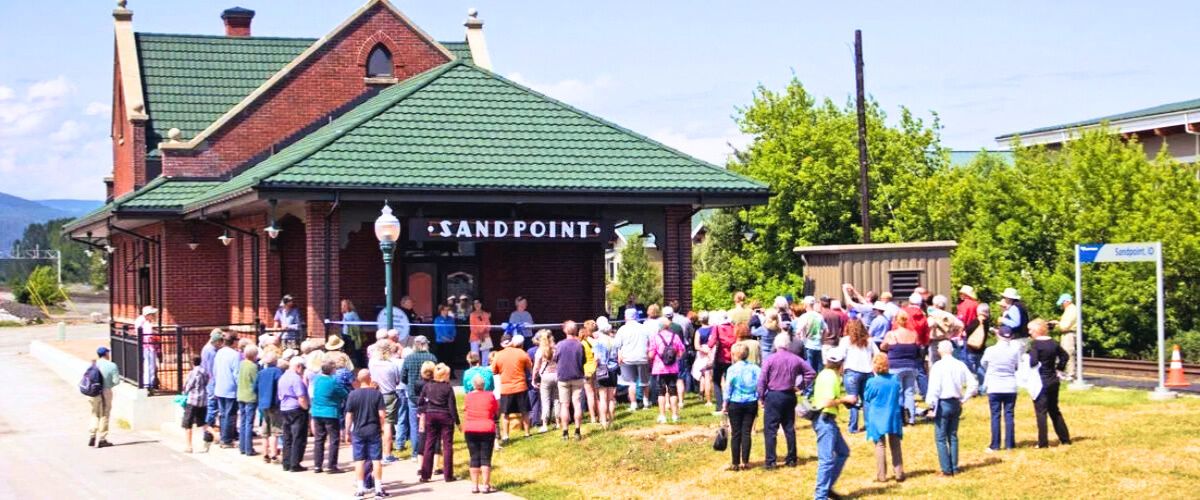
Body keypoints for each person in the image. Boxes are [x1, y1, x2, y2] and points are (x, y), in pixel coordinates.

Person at [758, 333, 817, 469]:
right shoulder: (795, 359)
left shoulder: (770, 359)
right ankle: (791, 458)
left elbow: (762, 380)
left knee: (770, 429)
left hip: (773, 395)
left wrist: (761, 397)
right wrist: (801, 386)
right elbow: (811, 373)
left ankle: (771, 461)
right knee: (789, 428)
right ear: (788, 345)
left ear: (776, 344)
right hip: (789, 395)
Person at [926, 340, 979, 476]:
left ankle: (946, 469)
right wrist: (964, 398)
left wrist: (931, 405)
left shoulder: (938, 366)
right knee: (953, 436)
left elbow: (935, 388)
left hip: (943, 402)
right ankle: (954, 466)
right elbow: (973, 384)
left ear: (940, 351)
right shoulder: (960, 364)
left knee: (941, 437)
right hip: (956, 401)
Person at [812, 348, 857, 500]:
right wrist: (845, 400)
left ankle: (827, 487)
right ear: (840, 364)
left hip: (825, 418)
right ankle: (821, 496)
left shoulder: (823, 374)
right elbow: (826, 401)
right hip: (825, 420)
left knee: (843, 451)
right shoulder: (832, 377)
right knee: (826, 460)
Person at [345, 369, 388, 498]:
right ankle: (378, 489)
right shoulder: (377, 394)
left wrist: (347, 431)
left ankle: (360, 489)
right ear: (370, 378)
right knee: (376, 460)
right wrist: (381, 426)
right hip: (373, 429)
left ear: (358, 379)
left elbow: (349, 415)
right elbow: (382, 415)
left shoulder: (352, 395)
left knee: (359, 460)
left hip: (358, 431)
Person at [1029, 319, 1072, 448]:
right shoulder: (1053, 343)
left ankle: (1043, 442)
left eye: (1030, 330)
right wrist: (1059, 368)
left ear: (1037, 331)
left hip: (1041, 381)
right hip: (1053, 380)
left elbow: (1033, 363)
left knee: (1041, 412)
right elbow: (1065, 356)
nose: (1029, 332)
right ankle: (1065, 439)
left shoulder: (1036, 345)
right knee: (1054, 410)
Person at [863, 353, 904, 483]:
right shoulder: (895, 379)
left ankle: (881, 476)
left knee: (880, 445)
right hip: (893, 414)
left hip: (877, 416)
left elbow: (867, 397)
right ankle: (899, 473)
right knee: (895, 445)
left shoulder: (872, 382)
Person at [981, 326, 1021, 452]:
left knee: (995, 415)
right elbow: (1017, 366)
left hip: (994, 385)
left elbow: (984, 363)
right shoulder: (1015, 350)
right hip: (1010, 385)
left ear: (998, 335)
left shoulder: (990, 350)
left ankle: (995, 444)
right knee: (1009, 415)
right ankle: (1010, 444)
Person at [723, 343, 761, 471]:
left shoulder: (732, 369)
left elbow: (728, 388)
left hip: (735, 402)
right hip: (751, 402)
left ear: (734, 355)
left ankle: (735, 462)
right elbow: (760, 385)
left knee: (736, 433)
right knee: (747, 432)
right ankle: (745, 461)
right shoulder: (755, 368)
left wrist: (724, 404)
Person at [419, 363, 459, 483]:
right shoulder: (447, 388)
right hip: (445, 416)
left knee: (429, 444)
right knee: (447, 445)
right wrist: (457, 421)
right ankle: (448, 475)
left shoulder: (427, 386)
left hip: (431, 415)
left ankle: (425, 475)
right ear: (444, 375)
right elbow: (452, 406)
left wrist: (423, 412)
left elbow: (421, 402)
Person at [882, 311, 923, 425]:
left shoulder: (892, 334)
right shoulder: (913, 334)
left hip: (896, 366)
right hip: (911, 365)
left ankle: (900, 418)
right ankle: (911, 418)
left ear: (896, 321)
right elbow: (918, 347)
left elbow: (883, 346)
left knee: (898, 392)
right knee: (909, 392)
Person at [838, 320, 878, 434]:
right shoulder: (869, 341)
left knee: (852, 400)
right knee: (867, 400)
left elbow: (840, 355)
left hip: (851, 372)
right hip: (867, 372)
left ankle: (853, 427)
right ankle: (869, 425)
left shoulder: (845, 340)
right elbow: (877, 354)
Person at [399, 336, 436, 460]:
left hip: (413, 395)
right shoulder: (431, 357)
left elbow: (403, 377)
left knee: (414, 424)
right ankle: (429, 449)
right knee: (430, 424)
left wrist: (410, 383)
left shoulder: (409, 358)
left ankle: (415, 452)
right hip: (430, 394)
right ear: (425, 344)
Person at [492, 333, 532, 444]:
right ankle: (527, 434)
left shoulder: (498, 355)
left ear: (501, 344)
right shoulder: (521, 352)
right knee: (525, 412)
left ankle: (506, 436)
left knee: (505, 414)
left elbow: (493, 370)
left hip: (506, 388)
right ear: (511, 342)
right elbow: (530, 366)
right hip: (521, 386)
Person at [311, 359, 349, 473]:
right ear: (332, 370)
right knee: (333, 439)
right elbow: (344, 394)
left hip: (317, 411)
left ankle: (317, 465)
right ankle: (331, 465)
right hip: (330, 412)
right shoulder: (333, 382)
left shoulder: (316, 379)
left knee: (319, 439)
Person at [464, 373, 499, 493]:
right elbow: (495, 410)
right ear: (484, 385)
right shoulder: (490, 395)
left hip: (470, 428)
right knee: (485, 457)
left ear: (473, 385)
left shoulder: (468, 396)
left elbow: (466, 408)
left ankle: (474, 485)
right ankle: (485, 485)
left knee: (474, 457)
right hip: (486, 428)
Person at [649, 317, 686, 424]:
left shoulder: (655, 337)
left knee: (661, 392)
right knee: (673, 391)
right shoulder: (675, 337)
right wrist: (676, 358)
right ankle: (675, 415)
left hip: (659, 369)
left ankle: (662, 416)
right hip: (673, 368)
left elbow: (651, 354)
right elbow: (681, 351)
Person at [615, 308, 652, 411]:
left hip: (628, 358)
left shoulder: (622, 329)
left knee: (631, 383)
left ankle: (633, 404)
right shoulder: (644, 327)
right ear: (637, 316)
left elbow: (617, 344)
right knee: (645, 381)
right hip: (642, 357)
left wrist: (619, 354)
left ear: (626, 317)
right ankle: (645, 402)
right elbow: (650, 341)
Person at [278, 356, 310, 472]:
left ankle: (286, 462)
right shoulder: (296, 379)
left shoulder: (283, 377)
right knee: (298, 437)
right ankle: (295, 463)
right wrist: (306, 408)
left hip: (284, 408)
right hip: (296, 409)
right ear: (298, 366)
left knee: (287, 437)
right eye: (303, 367)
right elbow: (301, 397)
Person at [554, 321, 586, 440]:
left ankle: (565, 432)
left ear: (565, 331)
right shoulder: (579, 345)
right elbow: (583, 360)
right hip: (577, 376)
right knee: (577, 404)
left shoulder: (560, 345)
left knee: (564, 405)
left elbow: (555, 359)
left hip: (563, 377)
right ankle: (577, 431)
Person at [212, 333, 242, 448]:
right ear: (233, 342)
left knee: (223, 414)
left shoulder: (219, 352)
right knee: (230, 415)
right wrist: (239, 387)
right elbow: (236, 374)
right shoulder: (235, 355)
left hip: (220, 387)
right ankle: (227, 440)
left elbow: (214, 370)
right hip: (230, 388)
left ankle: (224, 437)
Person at [87, 347, 120, 448]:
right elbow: (116, 381)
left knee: (94, 414)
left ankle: (92, 435)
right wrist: (108, 385)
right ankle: (102, 439)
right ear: (106, 354)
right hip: (106, 391)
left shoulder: (94, 364)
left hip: (93, 392)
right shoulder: (112, 365)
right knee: (105, 414)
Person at [256, 352, 284, 463]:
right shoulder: (278, 372)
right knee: (275, 431)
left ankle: (265, 454)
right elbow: (280, 387)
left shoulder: (261, 373)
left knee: (265, 430)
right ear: (275, 361)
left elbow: (255, 388)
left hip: (262, 404)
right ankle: (273, 455)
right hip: (274, 404)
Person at [181, 354, 212, 453]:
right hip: (203, 399)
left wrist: (184, 392)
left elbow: (188, 386)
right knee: (203, 422)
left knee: (188, 423)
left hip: (193, 400)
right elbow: (207, 381)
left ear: (192, 362)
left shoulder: (193, 373)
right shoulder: (204, 372)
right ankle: (215, 436)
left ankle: (189, 446)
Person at [706, 311, 737, 408]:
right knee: (730, 381)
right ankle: (730, 403)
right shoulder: (733, 327)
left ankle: (719, 405)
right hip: (732, 357)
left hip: (720, 357)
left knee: (716, 381)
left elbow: (711, 343)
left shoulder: (717, 327)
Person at [592, 317, 618, 428]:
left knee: (602, 397)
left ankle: (603, 422)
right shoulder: (613, 340)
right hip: (613, 369)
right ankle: (611, 421)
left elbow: (596, 358)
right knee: (611, 398)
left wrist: (594, 370)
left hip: (602, 370)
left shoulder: (597, 341)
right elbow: (617, 355)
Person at [532, 330, 559, 432]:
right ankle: (558, 422)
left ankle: (544, 424)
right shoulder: (556, 348)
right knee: (557, 400)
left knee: (545, 401)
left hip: (545, 377)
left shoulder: (539, 351)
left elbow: (536, 367)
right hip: (557, 375)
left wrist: (534, 379)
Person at [236, 345, 260, 456]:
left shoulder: (241, 364)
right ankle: (249, 448)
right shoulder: (253, 367)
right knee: (249, 423)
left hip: (241, 394)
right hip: (250, 396)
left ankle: (242, 447)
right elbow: (256, 382)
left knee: (243, 422)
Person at [796, 296, 828, 376]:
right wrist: (822, 341)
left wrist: (800, 341)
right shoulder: (819, 316)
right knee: (819, 369)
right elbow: (826, 330)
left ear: (805, 305)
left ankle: (809, 388)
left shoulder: (804, 317)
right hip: (818, 345)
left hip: (808, 345)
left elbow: (798, 331)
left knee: (809, 370)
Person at [962, 303, 991, 389]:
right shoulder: (986, 322)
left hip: (972, 348)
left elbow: (967, 331)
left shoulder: (977, 321)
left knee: (970, 367)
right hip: (981, 349)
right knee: (980, 367)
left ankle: (973, 387)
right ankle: (982, 387)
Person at [1052, 293, 1079, 381]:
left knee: (1068, 353)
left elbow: (1065, 326)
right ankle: (1067, 373)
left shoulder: (1071, 310)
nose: (1061, 305)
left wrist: (1057, 324)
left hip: (1069, 334)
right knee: (1065, 353)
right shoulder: (1069, 310)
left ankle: (1070, 374)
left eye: (1062, 303)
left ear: (1067, 301)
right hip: (1067, 334)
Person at [201, 330, 223, 428]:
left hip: (209, 379)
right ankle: (209, 425)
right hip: (211, 379)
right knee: (212, 403)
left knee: (212, 403)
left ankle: (210, 423)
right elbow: (211, 368)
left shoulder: (208, 348)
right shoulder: (211, 351)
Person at [134, 306, 159, 390]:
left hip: (145, 346)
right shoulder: (145, 323)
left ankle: (147, 383)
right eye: (153, 314)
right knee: (150, 365)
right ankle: (149, 384)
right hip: (148, 346)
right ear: (148, 314)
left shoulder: (140, 320)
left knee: (148, 364)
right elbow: (149, 336)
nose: (154, 316)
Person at [580, 320, 600, 425]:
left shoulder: (582, 344)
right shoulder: (597, 341)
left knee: (590, 394)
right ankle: (600, 415)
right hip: (597, 368)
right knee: (597, 394)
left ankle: (592, 417)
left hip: (586, 370)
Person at [694, 311, 714, 406]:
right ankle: (702, 393)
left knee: (704, 375)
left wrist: (704, 350)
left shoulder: (699, 331)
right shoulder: (714, 329)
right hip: (712, 352)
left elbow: (696, 346)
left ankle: (707, 399)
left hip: (702, 353)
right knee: (707, 376)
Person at [341, 300, 366, 369]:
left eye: (344, 305)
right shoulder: (344, 314)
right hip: (345, 334)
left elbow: (358, 323)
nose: (342, 307)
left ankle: (360, 365)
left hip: (352, 335)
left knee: (356, 350)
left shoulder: (352, 314)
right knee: (346, 350)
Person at [469, 299, 493, 365]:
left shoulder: (485, 314)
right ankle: (475, 372)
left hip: (485, 337)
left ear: (481, 304)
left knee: (486, 357)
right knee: (474, 357)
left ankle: (484, 373)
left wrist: (483, 332)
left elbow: (488, 327)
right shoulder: (472, 315)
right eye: (475, 303)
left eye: (478, 303)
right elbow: (472, 328)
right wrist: (481, 332)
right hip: (475, 337)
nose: (477, 305)